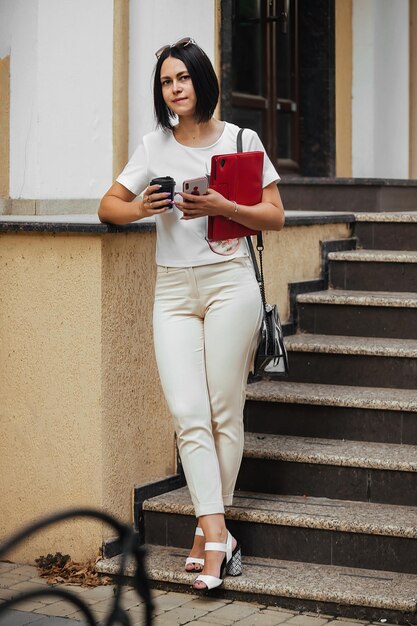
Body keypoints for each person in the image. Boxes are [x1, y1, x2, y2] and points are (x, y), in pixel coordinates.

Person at [98, 36, 285, 591]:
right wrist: (140, 208)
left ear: (203, 81)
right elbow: (107, 206)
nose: (174, 89)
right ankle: (218, 531)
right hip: (174, 292)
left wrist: (223, 206)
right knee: (187, 409)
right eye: (165, 82)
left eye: (182, 78)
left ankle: (209, 536)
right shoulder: (154, 146)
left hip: (231, 284)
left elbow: (275, 215)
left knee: (224, 408)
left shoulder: (241, 139)